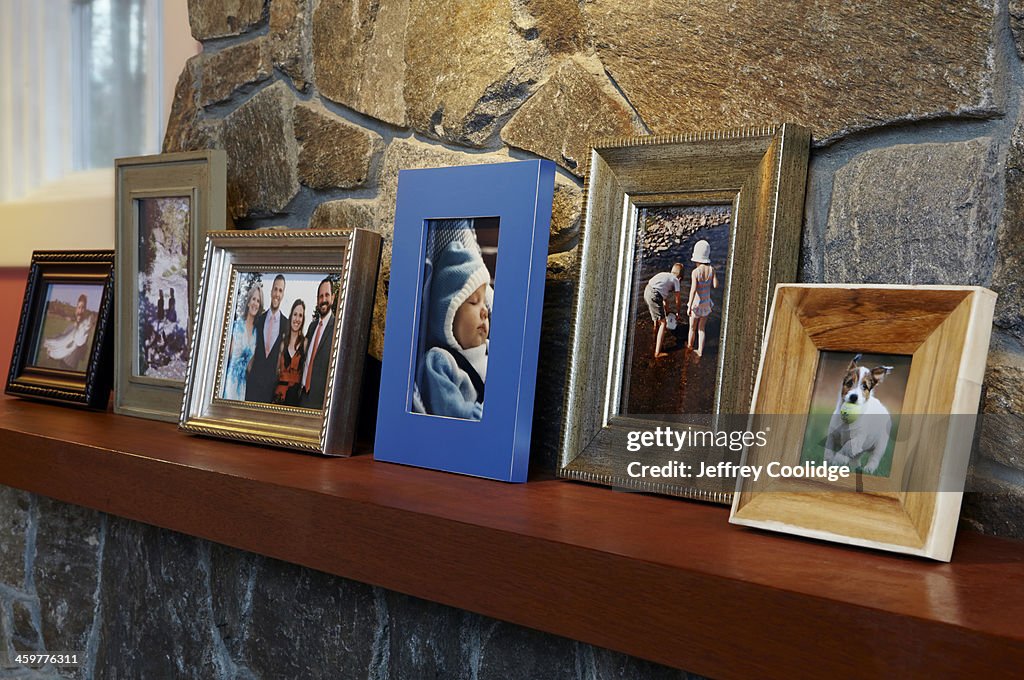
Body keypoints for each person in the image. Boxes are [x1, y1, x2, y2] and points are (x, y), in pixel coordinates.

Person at [419, 241, 491, 421]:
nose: (484, 311)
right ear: (449, 315)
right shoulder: (440, 360)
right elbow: (450, 411)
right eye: (474, 302)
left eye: (485, 303)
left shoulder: (494, 352)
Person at [246, 274, 287, 403]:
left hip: (270, 393)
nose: (277, 294)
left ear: (283, 294)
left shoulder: (286, 324)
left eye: (280, 290)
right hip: (252, 388)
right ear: (271, 291)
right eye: (275, 289)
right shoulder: (259, 319)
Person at [299, 279, 336, 409]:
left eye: (327, 295)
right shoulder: (312, 327)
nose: (323, 299)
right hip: (302, 396)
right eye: (321, 296)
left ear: (333, 297)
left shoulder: (337, 329)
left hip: (320, 403)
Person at [222, 283, 262, 400]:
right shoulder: (237, 325)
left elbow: (250, 366)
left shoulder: (256, 333)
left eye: (258, 301)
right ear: (248, 302)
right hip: (229, 380)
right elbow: (227, 356)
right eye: (253, 299)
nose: (255, 303)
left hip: (242, 385)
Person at [42, 293, 93, 372]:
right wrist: (51, 352)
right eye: (79, 307)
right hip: (62, 364)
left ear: (85, 310)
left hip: (71, 368)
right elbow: (61, 343)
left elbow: (82, 356)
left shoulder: (83, 330)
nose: (80, 310)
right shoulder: (70, 326)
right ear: (76, 309)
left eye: (83, 308)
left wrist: (84, 340)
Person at [643, 263, 684, 359]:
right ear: (680, 278)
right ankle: (657, 353)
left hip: (647, 291)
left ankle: (655, 329)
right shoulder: (676, 280)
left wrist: (667, 312)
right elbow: (678, 299)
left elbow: (664, 301)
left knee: (657, 316)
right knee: (663, 323)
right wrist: (678, 312)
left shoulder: (665, 276)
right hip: (654, 295)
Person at [687, 239, 718, 357]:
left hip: (696, 304)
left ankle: (690, 346)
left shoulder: (695, 272)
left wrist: (689, 305)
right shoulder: (711, 270)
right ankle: (700, 351)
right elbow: (715, 285)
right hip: (706, 304)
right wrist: (714, 277)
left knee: (692, 328)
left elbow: (693, 290)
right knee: (701, 329)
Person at [273, 299, 307, 406]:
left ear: (303, 319)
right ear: (291, 316)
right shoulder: (282, 343)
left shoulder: (305, 343)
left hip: (295, 400)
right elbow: (274, 371)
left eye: (300, 315)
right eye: (295, 314)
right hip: (278, 398)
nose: (297, 319)